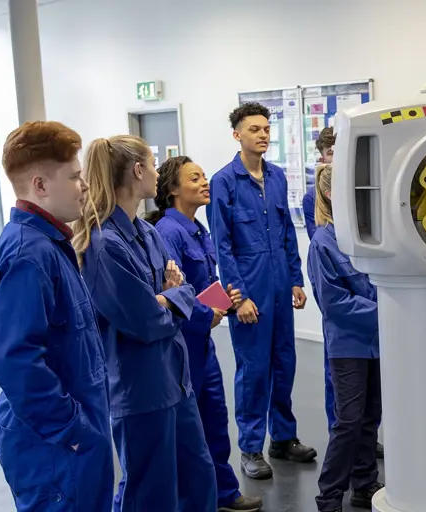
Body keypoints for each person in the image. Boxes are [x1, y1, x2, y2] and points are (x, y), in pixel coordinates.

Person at [74, 135, 218, 511]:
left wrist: (170, 297)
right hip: (141, 391)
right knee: (151, 493)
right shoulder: (105, 245)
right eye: (153, 164)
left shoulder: (148, 233)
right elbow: (148, 321)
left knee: (199, 478)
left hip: (176, 378)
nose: (157, 172)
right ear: (138, 171)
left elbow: (176, 293)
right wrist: (172, 298)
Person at [0, 121, 114, 511]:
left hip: (70, 432)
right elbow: (12, 357)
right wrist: (70, 428)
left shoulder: (48, 243)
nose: (85, 186)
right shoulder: (31, 253)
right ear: (40, 186)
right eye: (74, 177)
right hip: (54, 444)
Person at [208, 102, 318, 480]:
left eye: (266, 128)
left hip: (278, 287)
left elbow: (287, 233)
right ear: (237, 135)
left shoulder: (276, 177)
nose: (263, 134)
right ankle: (251, 447)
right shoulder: (224, 182)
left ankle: (283, 438)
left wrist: (296, 279)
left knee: (284, 363)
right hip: (249, 290)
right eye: (254, 129)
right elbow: (223, 247)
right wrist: (238, 297)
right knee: (253, 370)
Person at [149, 156, 264, 512]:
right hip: (183, 341)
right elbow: (173, 290)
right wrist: (204, 313)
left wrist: (223, 301)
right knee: (190, 428)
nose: (204, 182)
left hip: (203, 341)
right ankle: (195, 500)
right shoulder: (168, 232)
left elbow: (199, 284)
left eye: (203, 176)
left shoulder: (198, 229)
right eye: (194, 178)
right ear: (171, 190)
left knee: (214, 418)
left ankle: (223, 492)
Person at [307, 164, 386, 512]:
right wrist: (386, 312)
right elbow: (335, 304)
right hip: (348, 345)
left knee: (370, 417)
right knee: (349, 421)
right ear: (329, 194)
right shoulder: (322, 243)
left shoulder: (364, 237)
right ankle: (329, 496)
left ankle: (364, 483)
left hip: (377, 343)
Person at [302, 126, 335, 240]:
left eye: (340, 150)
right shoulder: (311, 198)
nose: (337, 157)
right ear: (323, 158)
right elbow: (321, 244)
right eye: (330, 153)